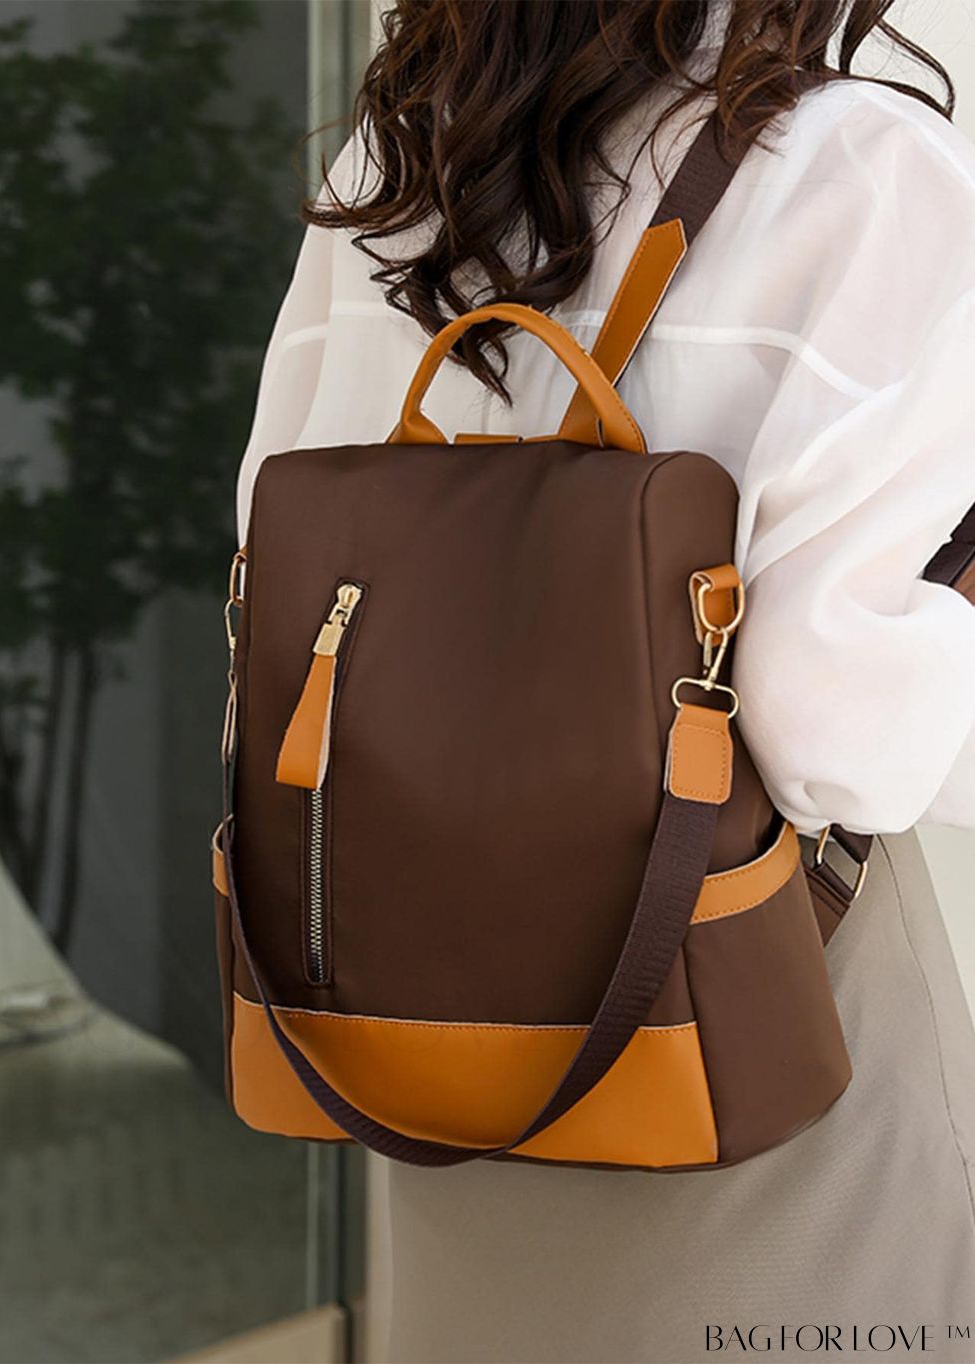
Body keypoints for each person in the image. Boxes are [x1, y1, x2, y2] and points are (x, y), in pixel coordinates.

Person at [236, 2, 975, 1359]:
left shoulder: (398, 166)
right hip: (744, 1008)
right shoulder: (859, 167)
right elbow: (841, 742)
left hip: (428, 1022)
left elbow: (275, 541)